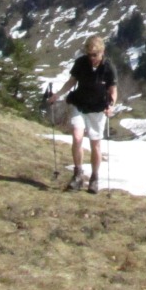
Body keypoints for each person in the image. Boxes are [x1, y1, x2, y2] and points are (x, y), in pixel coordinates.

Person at [47, 35, 118, 193]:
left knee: (95, 144)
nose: (91, 58)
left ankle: (94, 178)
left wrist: (111, 105)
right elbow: (71, 81)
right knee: (77, 136)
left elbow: (113, 90)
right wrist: (57, 95)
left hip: (98, 109)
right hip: (79, 104)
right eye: (89, 54)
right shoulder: (81, 63)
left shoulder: (108, 68)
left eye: (95, 55)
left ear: (102, 52)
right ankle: (78, 174)